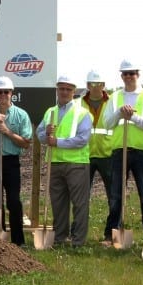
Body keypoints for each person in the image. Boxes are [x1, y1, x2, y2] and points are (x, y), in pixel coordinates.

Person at [104, 60, 143, 244]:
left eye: (132, 73)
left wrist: (133, 117)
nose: (129, 76)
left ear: (138, 74)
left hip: (141, 150)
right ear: (121, 76)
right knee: (116, 194)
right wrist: (120, 113)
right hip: (120, 150)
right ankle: (112, 232)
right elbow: (107, 123)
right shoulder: (114, 97)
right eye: (125, 73)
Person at [36, 74, 92, 247]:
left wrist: (57, 142)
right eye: (62, 88)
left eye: (68, 89)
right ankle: (60, 239)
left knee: (79, 204)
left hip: (76, 164)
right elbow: (38, 135)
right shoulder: (50, 112)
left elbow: (83, 139)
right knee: (58, 204)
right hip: (55, 164)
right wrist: (46, 134)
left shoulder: (82, 113)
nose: (65, 92)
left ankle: (78, 241)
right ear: (57, 89)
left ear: (74, 91)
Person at [0, 76, 33, 245]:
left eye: (6, 92)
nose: (3, 95)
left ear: (12, 93)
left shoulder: (21, 115)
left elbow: (25, 143)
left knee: (13, 201)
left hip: (10, 162)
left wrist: (8, 132)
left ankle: (18, 241)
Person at [82, 69, 114, 243]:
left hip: (108, 154)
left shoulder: (112, 102)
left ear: (104, 85)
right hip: (84, 155)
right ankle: (79, 232)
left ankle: (111, 232)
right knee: (81, 197)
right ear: (87, 85)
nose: (96, 87)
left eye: (100, 83)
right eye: (93, 83)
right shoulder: (78, 103)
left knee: (113, 196)